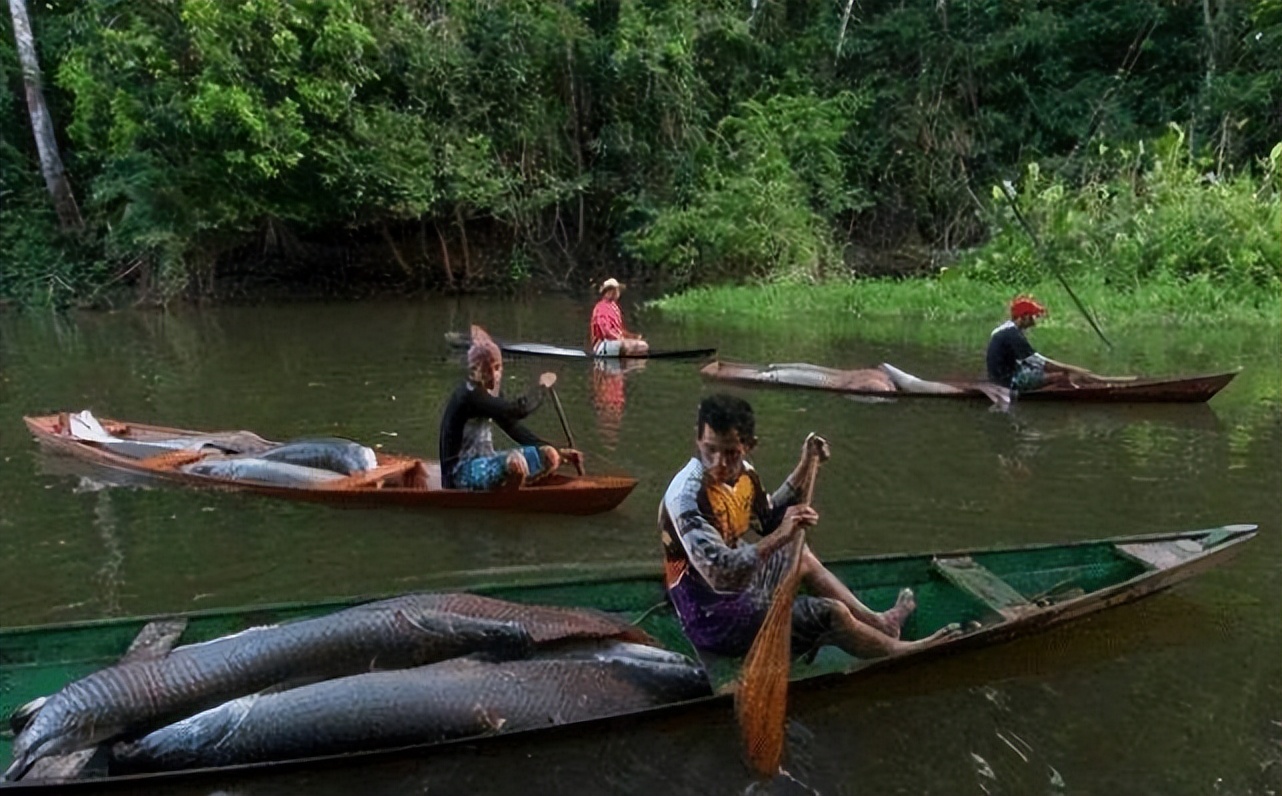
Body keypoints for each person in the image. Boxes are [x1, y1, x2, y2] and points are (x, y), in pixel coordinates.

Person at [659, 393, 958, 660]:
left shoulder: (744, 474)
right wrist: (780, 535)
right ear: (698, 440)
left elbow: (767, 517)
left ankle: (879, 624)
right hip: (712, 616)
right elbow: (721, 576)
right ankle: (897, 652)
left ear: (749, 447)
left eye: (731, 453)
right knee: (831, 613)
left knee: (799, 555)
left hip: (740, 590)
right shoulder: (688, 496)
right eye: (710, 450)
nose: (719, 464)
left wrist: (806, 466)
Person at [439, 325, 583, 490]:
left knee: (549, 455)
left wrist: (555, 450)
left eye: (497, 368)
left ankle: (516, 486)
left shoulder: (489, 394)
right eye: (486, 370)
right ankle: (510, 493)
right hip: (459, 473)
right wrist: (542, 387)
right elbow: (518, 410)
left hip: (486, 461)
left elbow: (512, 426)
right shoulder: (470, 395)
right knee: (515, 464)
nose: (494, 375)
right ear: (474, 371)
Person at [986, 295, 1096, 392]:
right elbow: (1037, 362)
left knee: (1059, 374)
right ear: (1024, 317)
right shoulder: (1012, 334)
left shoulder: (1005, 330)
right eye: (1032, 317)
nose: (1034, 322)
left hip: (1002, 376)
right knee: (1061, 376)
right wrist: (1070, 369)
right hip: (1008, 381)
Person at [590, 278, 649, 356]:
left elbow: (619, 330)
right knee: (626, 345)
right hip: (602, 344)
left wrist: (632, 336)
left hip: (614, 342)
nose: (617, 293)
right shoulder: (600, 308)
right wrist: (620, 339)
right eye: (615, 290)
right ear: (608, 292)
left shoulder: (614, 308)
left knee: (643, 345)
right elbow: (605, 331)